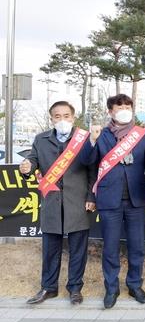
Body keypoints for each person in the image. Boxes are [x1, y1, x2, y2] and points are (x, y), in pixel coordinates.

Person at [79, 94, 145, 309]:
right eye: (119, 106)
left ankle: (134, 285)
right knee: (110, 246)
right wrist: (92, 142)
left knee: (137, 245)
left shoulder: (141, 135)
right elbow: (90, 165)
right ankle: (111, 287)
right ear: (110, 111)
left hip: (136, 197)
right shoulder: (101, 134)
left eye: (127, 106)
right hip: (108, 198)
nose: (124, 109)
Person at [20, 101, 96, 305]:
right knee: (50, 248)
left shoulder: (84, 138)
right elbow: (32, 162)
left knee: (78, 248)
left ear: (73, 117)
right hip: (52, 201)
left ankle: (75, 288)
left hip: (78, 202)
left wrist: (91, 197)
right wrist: (27, 168)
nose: (62, 120)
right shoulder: (40, 139)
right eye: (57, 116)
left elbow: (93, 171)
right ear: (51, 118)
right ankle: (48, 287)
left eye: (66, 116)